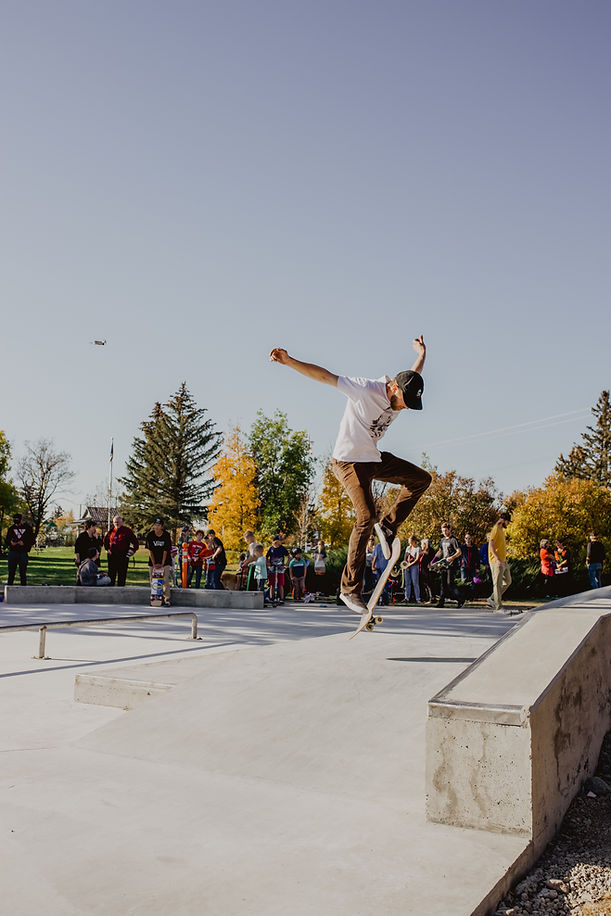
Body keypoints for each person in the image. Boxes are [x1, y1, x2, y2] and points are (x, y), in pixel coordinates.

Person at [269, 336, 431, 615]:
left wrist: (421, 354)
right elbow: (325, 376)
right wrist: (289, 361)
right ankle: (349, 589)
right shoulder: (364, 389)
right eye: (403, 402)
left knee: (421, 479)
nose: (404, 408)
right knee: (366, 516)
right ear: (393, 387)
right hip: (348, 462)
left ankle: (388, 528)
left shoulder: (403, 387)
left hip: (373, 458)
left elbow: (413, 374)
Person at [431, 522, 464, 608]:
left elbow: (459, 552)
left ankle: (460, 599)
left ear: (449, 530)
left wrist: (452, 557)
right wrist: (433, 561)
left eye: (446, 530)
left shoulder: (453, 540)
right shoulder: (442, 540)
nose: (444, 532)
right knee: (443, 584)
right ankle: (441, 602)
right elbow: (440, 552)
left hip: (452, 565)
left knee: (450, 584)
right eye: (443, 531)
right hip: (444, 564)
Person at [486, 511, 512, 612]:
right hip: (496, 561)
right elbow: (491, 546)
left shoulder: (501, 530)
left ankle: (492, 598)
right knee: (497, 584)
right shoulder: (495, 529)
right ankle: (498, 607)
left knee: (508, 581)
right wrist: (497, 559)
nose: (508, 524)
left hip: (503, 561)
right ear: (503, 520)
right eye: (508, 521)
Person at [104, 515, 139, 587]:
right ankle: (110, 591)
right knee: (111, 575)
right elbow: (105, 541)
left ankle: (121, 591)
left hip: (123, 556)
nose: (116, 523)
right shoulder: (111, 531)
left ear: (121, 522)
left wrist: (133, 550)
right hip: (112, 556)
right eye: (115, 522)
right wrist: (107, 549)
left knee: (122, 576)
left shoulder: (127, 531)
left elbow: (135, 542)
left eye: (118, 522)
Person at [145, 518, 173, 606]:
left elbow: (166, 551)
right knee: (153, 580)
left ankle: (166, 599)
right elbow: (150, 551)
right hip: (153, 561)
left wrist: (162, 564)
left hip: (165, 561)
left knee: (165, 580)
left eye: (158, 525)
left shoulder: (166, 535)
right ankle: (155, 599)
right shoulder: (150, 535)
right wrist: (154, 564)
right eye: (155, 525)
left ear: (162, 527)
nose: (156, 527)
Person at [5, 513, 35, 585]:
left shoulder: (28, 528)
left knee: (23, 572)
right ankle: (10, 586)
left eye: (18, 522)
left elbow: (32, 541)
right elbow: (7, 540)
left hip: (23, 552)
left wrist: (24, 543)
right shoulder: (11, 528)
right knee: (11, 572)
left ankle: (23, 587)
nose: (17, 524)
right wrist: (11, 542)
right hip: (13, 552)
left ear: (22, 520)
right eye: (15, 522)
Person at [266, 535, 289, 603]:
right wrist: (268, 563)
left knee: (280, 583)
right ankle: (271, 598)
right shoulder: (271, 548)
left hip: (280, 567)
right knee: (272, 584)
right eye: (279, 540)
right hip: (272, 567)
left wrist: (286, 563)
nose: (280, 542)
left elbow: (288, 556)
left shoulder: (282, 548)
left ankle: (281, 598)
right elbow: (267, 557)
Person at [403, 535, 422, 604]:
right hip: (407, 566)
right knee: (407, 583)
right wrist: (405, 565)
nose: (409, 542)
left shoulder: (417, 548)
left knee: (415, 582)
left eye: (410, 541)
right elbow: (405, 557)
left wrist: (410, 565)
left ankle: (418, 598)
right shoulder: (408, 548)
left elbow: (417, 559)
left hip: (414, 566)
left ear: (414, 541)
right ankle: (407, 597)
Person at [419, 538, 435, 604]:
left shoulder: (430, 551)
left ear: (425, 545)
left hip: (429, 570)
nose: (421, 546)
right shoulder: (422, 552)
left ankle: (432, 598)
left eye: (422, 544)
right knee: (425, 585)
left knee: (429, 585)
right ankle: (427, 598)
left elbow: (432, 559)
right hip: (423, 570)